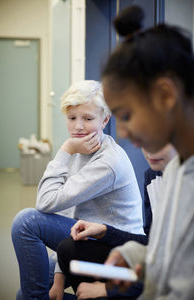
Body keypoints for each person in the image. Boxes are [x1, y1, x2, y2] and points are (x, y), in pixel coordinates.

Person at [11, 80, 145, 300]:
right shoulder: (81, 149)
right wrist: (59, 275)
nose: (78, 127)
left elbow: (44, 202)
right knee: (22, 294)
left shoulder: (108, 161)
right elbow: (67, 213)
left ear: (105, 120)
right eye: (72, 118)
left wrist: (65, 149)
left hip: (114, 250)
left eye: (88, 118)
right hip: (84, 235)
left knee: (26, 222)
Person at [96, 7, 194, 299]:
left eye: (126, 116)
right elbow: (175, 258)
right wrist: (134, 255)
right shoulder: (177, 168)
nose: (122, 133)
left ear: (165, 95)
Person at [57, 144, 177, 300]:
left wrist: (108, 289)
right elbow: (151, 243)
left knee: (27, 222)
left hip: (174, 279)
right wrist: (104, 231)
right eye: (143, 139)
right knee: (68, 250)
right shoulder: (153, 175)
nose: (150, 148)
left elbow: (182, 266)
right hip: (154, 267)